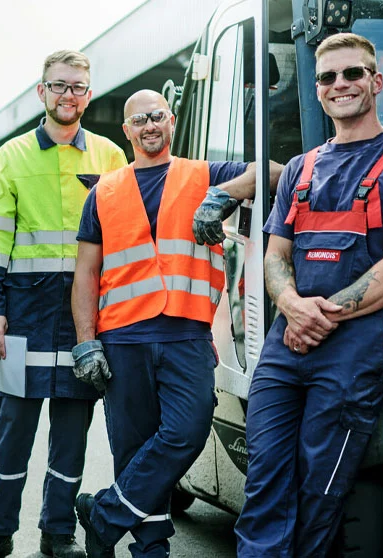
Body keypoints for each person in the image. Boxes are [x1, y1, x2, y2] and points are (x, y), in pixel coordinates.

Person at [232, 33, 383, 557]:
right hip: (285, 351)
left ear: (377, 81)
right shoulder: (300, 169)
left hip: (353, 354)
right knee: (264, 486)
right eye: (327, 77)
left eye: (352, 73)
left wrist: (321, 314)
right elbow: (275, 255)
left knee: (320, 490)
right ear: (319, 90)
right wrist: (291, 306)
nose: (339, 84)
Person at [71, 90, 271, 558]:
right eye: (139, 120)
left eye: (157, 116)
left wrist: (223, 196)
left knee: (187, 431)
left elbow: (272, 172)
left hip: (186, 333)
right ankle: (150, 547)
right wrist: (86, 343)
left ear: (173, 120)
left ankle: (105, 514)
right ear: (127, 131)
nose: (149, 126)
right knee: (133, 444)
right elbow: (86, 272)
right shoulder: (105, 190)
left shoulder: (204, 175)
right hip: (122, 335)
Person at [0, 50, 128, 558]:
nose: (68, 95)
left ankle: (58, 532)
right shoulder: (11, 156)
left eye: (77, 87)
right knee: (12, 427)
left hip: (85, 318)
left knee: (73, 429)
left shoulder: (111, 157)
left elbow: (123, 242)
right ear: (42, 91)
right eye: (59, 86)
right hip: (19, 316)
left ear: (89, 95)